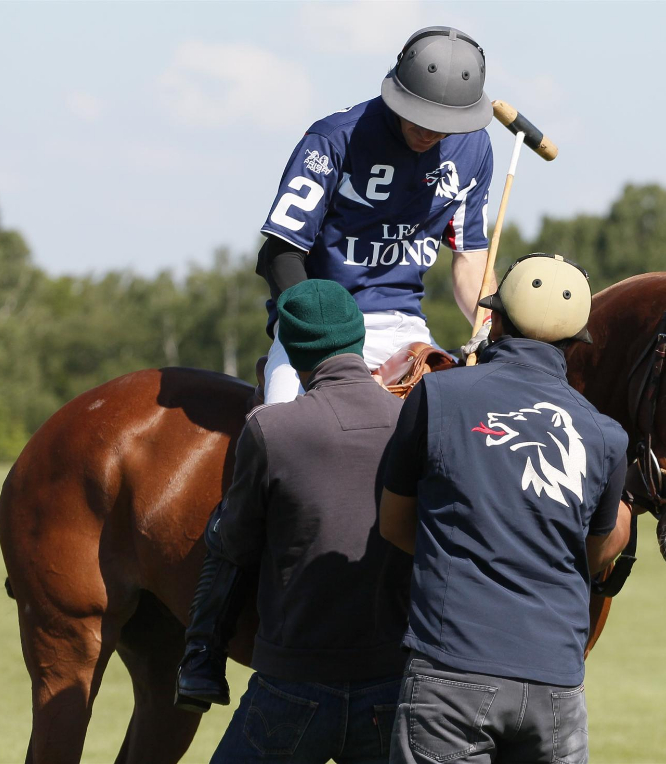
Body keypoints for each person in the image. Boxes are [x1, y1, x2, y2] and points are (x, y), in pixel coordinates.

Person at [378, 254, 633, 764]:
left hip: (450, 675)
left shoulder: (437, 394)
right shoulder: (605, 435)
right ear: (574, 340)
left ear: (493, 319)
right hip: (556, 685)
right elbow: (595, 551)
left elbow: (393, 524)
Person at [175, 279, 411, 764]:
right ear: (358, 337)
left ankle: (201, 659)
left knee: (225, 530)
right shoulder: (413, 417)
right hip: (392, 686)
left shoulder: (270, 427)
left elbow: (236, 545)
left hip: (292, 687)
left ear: (294, 350)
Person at [258, 25, 497, 403]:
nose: (429, 133)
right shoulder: (335, 138)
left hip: (406, 326)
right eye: (419, 118)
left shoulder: (474, 148)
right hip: (321, 323)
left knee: (466, 430)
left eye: (443, 126)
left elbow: (470, 258)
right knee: (285, 424)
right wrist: (315, 329)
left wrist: (488, 322)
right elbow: (280, 252)